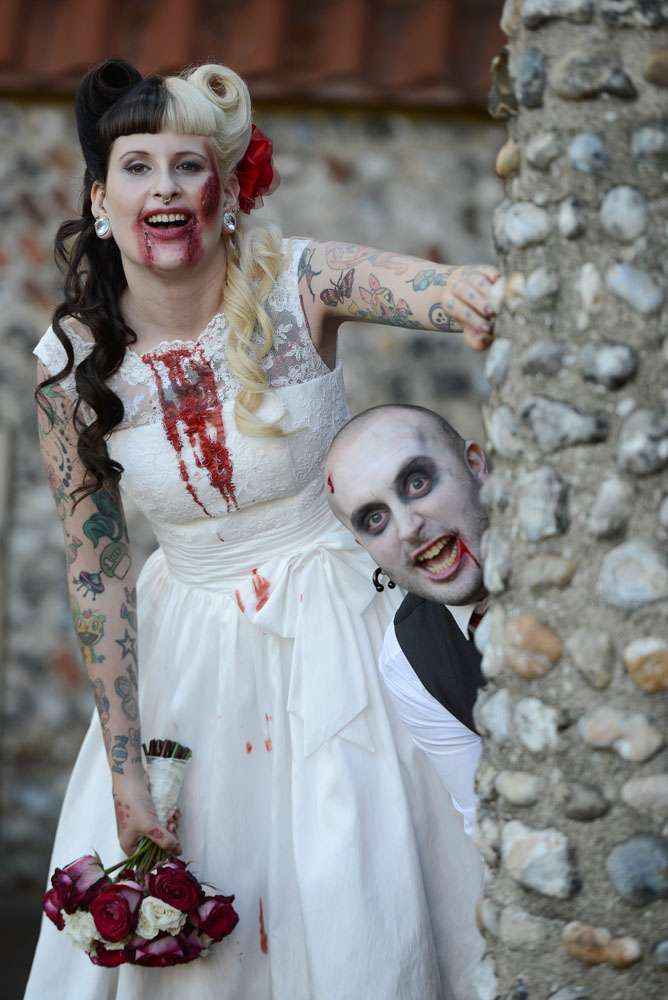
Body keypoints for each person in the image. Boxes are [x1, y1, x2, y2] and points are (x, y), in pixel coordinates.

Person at [26, 58, 498, 1000]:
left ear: (227, 189)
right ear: (101, 198)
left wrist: (479, 298)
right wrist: (125, 769)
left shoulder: (300, 283)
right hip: (188, 664)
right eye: (137, 167)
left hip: (351, 636)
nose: (165, 187)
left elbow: (443, 289)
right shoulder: (72, 363)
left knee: (362, 891)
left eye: (188, 166)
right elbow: (96, 570)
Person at [325, 405, 489, 837]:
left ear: (475, 466)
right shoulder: (409, 660)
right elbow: (489, 820)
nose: (408, 527)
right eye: (375, 519)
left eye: (417, 483)